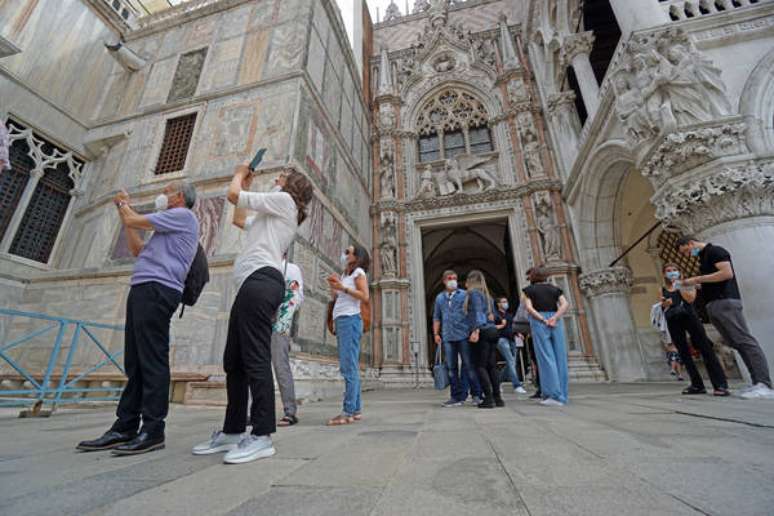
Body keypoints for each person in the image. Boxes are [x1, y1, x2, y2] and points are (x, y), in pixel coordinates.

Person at [192, 165, 313, 464]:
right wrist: (247, 182)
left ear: (291, 184)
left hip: (262, 281)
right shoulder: (270, 214)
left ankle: (262, 435)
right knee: (234, 361)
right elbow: (238, 216)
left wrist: (239, 174)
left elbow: (233, 195)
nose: (277, 178)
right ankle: (233, 430)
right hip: (249, 284)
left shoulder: (285, 202)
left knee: (256, 358)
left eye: (282, 175)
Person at [77, 181, 199, 455]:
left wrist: (123, 205)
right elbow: (137, 250)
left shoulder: (183, 216)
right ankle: (125, 425)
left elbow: (133, 217)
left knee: (152, 358)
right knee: (136, 361)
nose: (163, 195)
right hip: (144, 286)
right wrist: (127, 218)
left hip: (159, 288)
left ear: (180, 197)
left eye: (168, 191)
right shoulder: (166, 226)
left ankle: (153, 429)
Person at [678, 237, 774, 399]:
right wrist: (695, 285)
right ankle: (756, 382)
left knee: (744, 341)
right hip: (715, 303)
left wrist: (697, 279)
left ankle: (764, 383)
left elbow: (726, 273)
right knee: (736, 343)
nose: (688, 255)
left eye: (686, 251)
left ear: (690, 243)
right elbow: (712, 280)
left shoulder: (715, 251)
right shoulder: (704, 258)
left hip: (726, 301)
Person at [660, 263, 729, 396]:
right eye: (668, 271)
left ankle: (720, 384)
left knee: (705, 348)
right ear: (664, 274)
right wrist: (665, 303)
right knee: (683, 352)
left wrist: (678, 285)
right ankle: (697, 385)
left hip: (690, 317)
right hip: (673, 320)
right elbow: (662, 304)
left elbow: (690, 299)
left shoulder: (688, 284)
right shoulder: (662, 288)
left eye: (675, 270)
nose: (672, 272)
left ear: (680, 272)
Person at [326, 245, 370, 425]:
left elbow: (364, 296)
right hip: (344, 320)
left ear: (357, 257)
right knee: (350, 366)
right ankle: (356, 409)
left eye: (348, 252)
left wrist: (343, 288)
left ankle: (348, 411)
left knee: (348, 367)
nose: (344, 254)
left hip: (350, 320)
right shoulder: (346, 275)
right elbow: (339, 298)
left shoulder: (358, 272)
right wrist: (335, 286)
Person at [433, 270, 482, 407]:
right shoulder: (439, 298)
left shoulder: (465, 295)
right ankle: (456, 397)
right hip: (448, 336)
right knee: (451, 367)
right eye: (450, 278)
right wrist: (436, 334)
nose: (453, 280)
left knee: (469, 365)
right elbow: (437, 317)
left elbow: (473, 314)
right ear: (444, 281)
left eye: (455, 278)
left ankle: (476, 394)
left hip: (463, 334)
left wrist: (475, 330)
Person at [522, 267, 570, 407]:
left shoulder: (528, 291)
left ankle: (552, 395)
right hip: (556, 322)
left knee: (545, 358)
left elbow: (529, 308)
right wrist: (555, 317)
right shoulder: (555, 289)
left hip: (540, 322)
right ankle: (563, 395)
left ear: (533, 277)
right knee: (560, 357)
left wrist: (543, 320)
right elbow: (565, 304)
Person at [272, 254, 304, 427]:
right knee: (255, 365)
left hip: (279, 322)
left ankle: (290, 412)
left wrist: (283, 321)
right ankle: (252, 411)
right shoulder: (264, 264)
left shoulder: (291, 269)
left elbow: (296, 296)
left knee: (280, 365)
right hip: (259, 320)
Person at [464, 270, 503, 409]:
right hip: (493, 331)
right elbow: (494, 316)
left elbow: (478, 312)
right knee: (491, 366)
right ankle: (498, 398)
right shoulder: (489, 296)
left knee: (480, 366)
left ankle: (489, 398)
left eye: (467, 281)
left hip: (483, 331)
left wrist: (476, 330)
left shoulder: (474, 294)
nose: (466, 284)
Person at [494, 296, 528, 394]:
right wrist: (501, 325)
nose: (506, 303)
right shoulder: (496, 315)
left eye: (506, 301)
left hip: (512, 339)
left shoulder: (509, 315)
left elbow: (513, 326)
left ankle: (497, 382)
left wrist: (518, 333)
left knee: (512, 362)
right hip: (501, 339)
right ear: (498, 304)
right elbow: (490, 326)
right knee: (510, 360)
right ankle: (517, 385)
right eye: (503, 301)